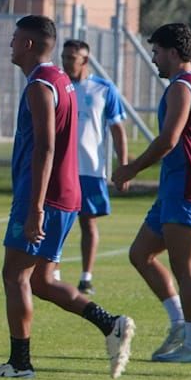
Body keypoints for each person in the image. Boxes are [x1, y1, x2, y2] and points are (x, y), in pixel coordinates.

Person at [0, 15, 134, 380]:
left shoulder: (41, 85)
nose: (10, 45)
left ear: (28, 44)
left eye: (14, 39)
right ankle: (112, 325)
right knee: (41, 281)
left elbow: (45, 148)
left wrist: (36, 208)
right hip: (66, 193)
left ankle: (20, 364)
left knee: (14, 276)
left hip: (45, 195)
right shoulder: (62, 80)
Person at [115, 23, 191, 364]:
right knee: (140, 253)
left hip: (187, 187)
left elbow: (168, 139)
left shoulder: (181, 88)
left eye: (157, 52)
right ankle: (178, 324)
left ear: (173, 53)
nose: (154, 59)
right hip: (175, 186)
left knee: (186, 268)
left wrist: (132, 167)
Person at [60, 39, 127, 295]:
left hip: (90, 168)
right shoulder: (58, 85)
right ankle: (52, 271)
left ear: (84, 60)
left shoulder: (103, 88)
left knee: (88, 223)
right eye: (64, 57)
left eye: (71, 58)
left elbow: (117, 127)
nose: (66, 62)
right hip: (60, 168)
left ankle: (86, 277)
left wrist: (123, 164)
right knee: (57, 220)